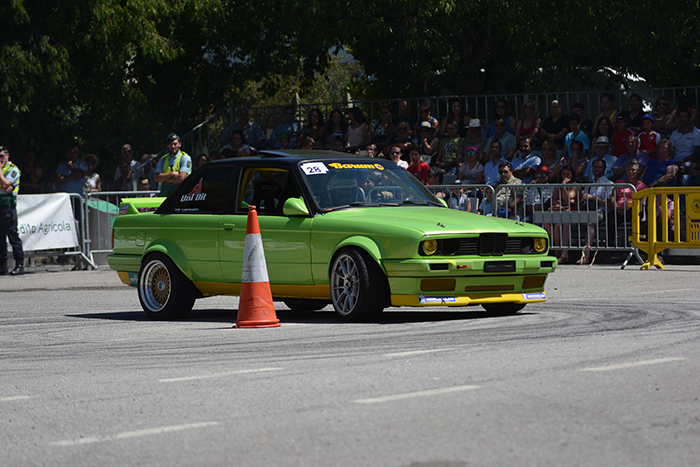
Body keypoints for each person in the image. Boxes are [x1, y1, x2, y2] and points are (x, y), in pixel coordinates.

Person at [579, 159, 614, 264]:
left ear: (604, 169)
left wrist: (594, 198)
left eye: (599, 167)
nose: (596, 169)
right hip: (587, 211)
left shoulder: (609, 184)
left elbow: (609, 203)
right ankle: (562, 254)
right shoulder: (589, 184)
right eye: (594, 167)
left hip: (601, 212)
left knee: (591, 223)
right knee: (566, 221)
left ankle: (586, 256)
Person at [0, 145, 24, 275]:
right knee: (0, 239)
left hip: (8, 206)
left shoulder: (13, 169)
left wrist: (3, 183)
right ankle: (2, 266)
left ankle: (19, 264)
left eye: (1, 156)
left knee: (12, 236)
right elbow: (4, 185)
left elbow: (7, 183)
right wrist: (3, 186)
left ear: (7, 155)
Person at [548, 165, 578, 263]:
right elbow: (553, 200)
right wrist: (563, 202)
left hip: (572, 213)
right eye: (563, 174)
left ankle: (562, 253)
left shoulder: (574, 185)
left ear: (572, 175)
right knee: (546, 221)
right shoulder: (558, 185)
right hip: (559, 211)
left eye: (568, 174)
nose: (565, 176)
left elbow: (567, 199)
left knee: (561, 225)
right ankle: (558, 248)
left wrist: (564, 185)